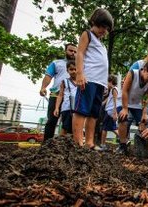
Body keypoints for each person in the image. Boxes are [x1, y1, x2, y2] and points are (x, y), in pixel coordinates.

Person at [72, 8, 114, 148]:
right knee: (82, 109)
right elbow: (80, 54)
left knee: (94, 113)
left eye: (107, 29)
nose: (104, 30)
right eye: (102, 26)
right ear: (94, 22)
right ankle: (78, 141)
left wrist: (104, 85)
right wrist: (79, 73)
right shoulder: (87, 34)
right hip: (88, 79)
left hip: (99, 83)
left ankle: (89, 142)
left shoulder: (102, 45)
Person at [117, 59, 148, 154]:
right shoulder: (133, 74)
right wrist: (125, 109)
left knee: (144, 122)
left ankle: (142, 147)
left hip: (137, 104)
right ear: (145, 69)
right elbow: (125, 91)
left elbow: (145, 98)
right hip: (124, 101)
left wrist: (144, 113)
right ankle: (122, 145)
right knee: (123, 118)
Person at [40, 43, 77, 141]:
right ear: (65, 51)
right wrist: (43, 87)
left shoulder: (81, 66)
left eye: (75, 51)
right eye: (70, 50)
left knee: (70, 123)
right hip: (56, 94)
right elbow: (48, 76)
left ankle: (69, 146)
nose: (73, 53)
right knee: (52, 120)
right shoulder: (56, 63)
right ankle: (46, 144)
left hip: (72, 98)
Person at [53, 60, 77, 135]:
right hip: (66, 108)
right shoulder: (65, 81)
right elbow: (60, 95)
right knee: (65, 128)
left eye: (75, 69)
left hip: (78, 109)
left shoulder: (81, 82)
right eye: (71, 69)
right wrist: (57, 108)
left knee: (76, 129)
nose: (73, 71)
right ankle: (60, 144)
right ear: (67, 70)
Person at [98, 75, 121, 151]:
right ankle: (124, 140)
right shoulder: (112, 90)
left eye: (108, 82)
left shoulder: (114, 89)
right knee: (112, 128)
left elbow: (115, 101)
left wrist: (115, 112)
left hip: (110, 111)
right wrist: (103, 103)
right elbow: (109, 98)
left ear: (111, 81)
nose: (107, 83)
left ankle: (103, 144)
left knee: (104, 127)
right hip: (109, 110)